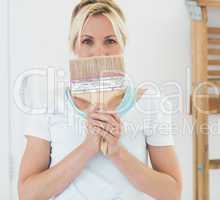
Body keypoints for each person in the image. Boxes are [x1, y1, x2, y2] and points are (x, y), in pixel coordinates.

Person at [18, 0, 182, 200]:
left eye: (110, 41)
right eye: (87, 41)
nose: (99, 52)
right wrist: (88, 147)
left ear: (123, 45)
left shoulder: (149, 102)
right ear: (74, 46)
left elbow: (172, 192)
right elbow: (28, 194)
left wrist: (116, 152)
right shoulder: (48, 105)